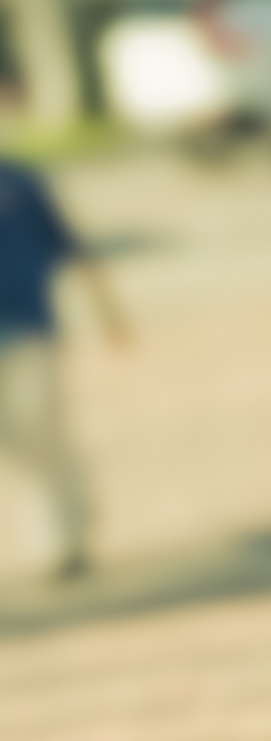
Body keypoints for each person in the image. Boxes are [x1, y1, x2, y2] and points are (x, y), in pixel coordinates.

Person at [0, 146, 121, 579]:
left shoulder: (18, 180)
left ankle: (61, 540)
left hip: (28, 325)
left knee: (41, 428)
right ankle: (67, 512)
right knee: (15, 439)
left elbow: (68, 243)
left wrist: (109, 310)